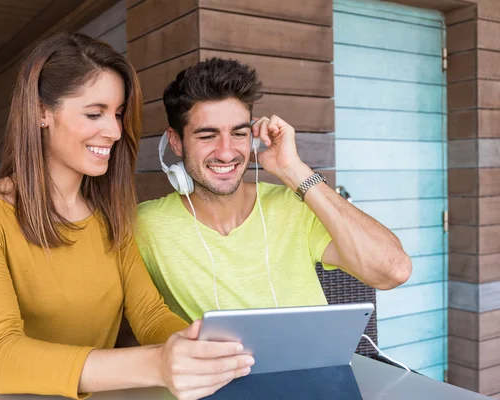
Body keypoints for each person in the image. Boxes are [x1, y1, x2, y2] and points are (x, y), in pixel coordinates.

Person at [0, 34, 253, 400]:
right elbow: (1, 356)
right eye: (94, 113)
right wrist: (155, 363)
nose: (115, 131)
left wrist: (197, 348)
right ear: (41, 111)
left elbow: (150, 315)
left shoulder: (110, 215)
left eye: (118, 114)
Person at [135, 57, 412, 322]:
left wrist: (294, 171)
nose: (226, 152)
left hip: (314, 367)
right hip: (221, 372)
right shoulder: (146, 225)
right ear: (176, 142)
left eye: (240, 133)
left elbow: (393, 271)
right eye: (208, 136)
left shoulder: (295, 205)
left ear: (253, 137)